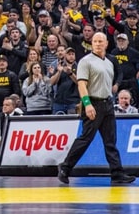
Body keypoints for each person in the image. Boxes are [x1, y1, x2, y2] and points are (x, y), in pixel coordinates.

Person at [57, 32, 135, 185]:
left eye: (101, 41)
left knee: (110, 141)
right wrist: (87, 104)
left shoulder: (109, 62)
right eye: (95, 41)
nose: (98, 44)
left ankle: (117, 173)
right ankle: (65, 167)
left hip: (107, 103)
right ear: (91, 44)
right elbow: (81, 84)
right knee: (86, 138)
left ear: (106, 44)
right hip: (93, 102)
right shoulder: (86, 61)